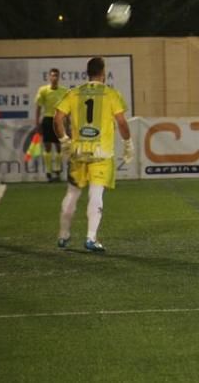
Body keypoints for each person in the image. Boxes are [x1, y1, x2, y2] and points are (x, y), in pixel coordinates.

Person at [54, 57, 132, 252]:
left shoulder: (74, 93)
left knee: (72, 194)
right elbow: (122, 122)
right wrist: (127, 143)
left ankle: (63, 236)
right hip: (102, 154)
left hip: (78, 152)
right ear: (103, 73)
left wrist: (64, 141)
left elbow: (57, 119)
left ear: (87, 72)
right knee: (96, 194)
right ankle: (90, 238)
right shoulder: (111, 94)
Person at [35, 68, 67, 182]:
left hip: (58, 119)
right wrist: (37, 122)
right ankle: (48, 172)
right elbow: (38, 107)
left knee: (59, 146)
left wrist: (68, 121)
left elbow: (66, 107)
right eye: (52, 76)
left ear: (59, 78)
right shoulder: (43, 90)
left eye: (56, 76)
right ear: (49, 77)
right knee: (47, 145)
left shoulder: (63, 91)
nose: (54, 78)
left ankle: (57, 171)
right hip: (47, 119)